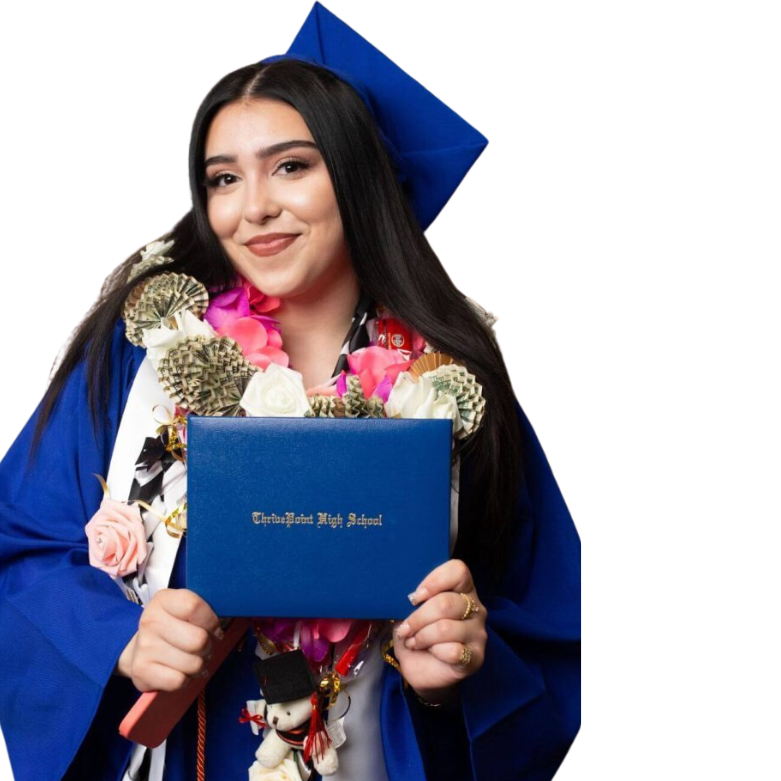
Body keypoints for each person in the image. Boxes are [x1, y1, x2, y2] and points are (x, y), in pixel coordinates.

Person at [0, 5, 582, 780]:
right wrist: (119, 636)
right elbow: (19, 546)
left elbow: (547, 621)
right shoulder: (138, 351)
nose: (254, 208)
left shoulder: (450, 382)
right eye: (223, 178)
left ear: (358, 175)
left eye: (291, 166)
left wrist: (462, 666)